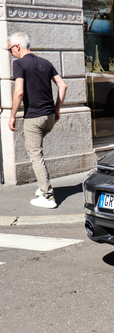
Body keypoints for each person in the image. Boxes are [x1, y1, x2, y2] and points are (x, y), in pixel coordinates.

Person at [7, 32, 67, 209]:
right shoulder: (46, 63)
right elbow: (62, 85)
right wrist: (57, 109)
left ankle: (48, 196)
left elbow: (19, 92)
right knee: (37, 152)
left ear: (17, 46)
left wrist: (12, 116)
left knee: (35, 155)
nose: (10, 53)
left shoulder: (18, 63)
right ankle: (43, 188)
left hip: (34, 117)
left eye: (10, 49)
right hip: (49, 116)